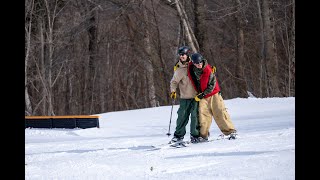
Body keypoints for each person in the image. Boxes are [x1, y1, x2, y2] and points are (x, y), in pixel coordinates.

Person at [187, 53, 237, 141]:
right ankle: (203, 136)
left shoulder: (208, 70)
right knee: (203, 116)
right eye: (197, 63)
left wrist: (202, 94)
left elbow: (212, 85)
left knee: (220, 112)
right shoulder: (191, 68)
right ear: (193, 63)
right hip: (202, 96)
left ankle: (230, 131)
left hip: (213, 94)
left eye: (200, 63)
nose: (199, 65)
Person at [169, 46, 203, 144]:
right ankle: (178, 136)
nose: (181, 56)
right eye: (180, 54)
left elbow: (203, 67)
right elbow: (174, 82)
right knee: (182, 116)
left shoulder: (194, 65)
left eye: (183, 54)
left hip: (196, 96)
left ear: (187, 54)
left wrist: (210, 70)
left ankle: (195, 135)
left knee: (195, 117)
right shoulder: (179, 69)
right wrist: (173, 91)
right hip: (185, 97)